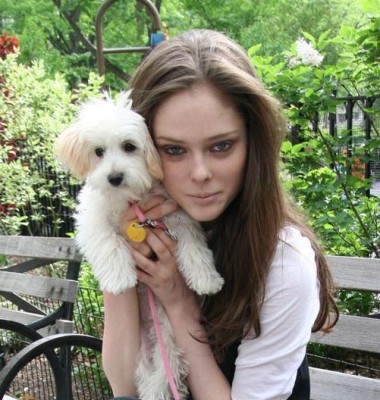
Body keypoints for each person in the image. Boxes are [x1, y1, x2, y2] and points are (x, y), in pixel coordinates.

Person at [102, 29, 339, 400]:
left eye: (222, 146)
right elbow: (123, 385)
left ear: (254, 141)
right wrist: (119, 257)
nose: (200, 174)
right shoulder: (150, 227)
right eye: (174, 150)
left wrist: (179, 304)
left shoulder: (283, 261)